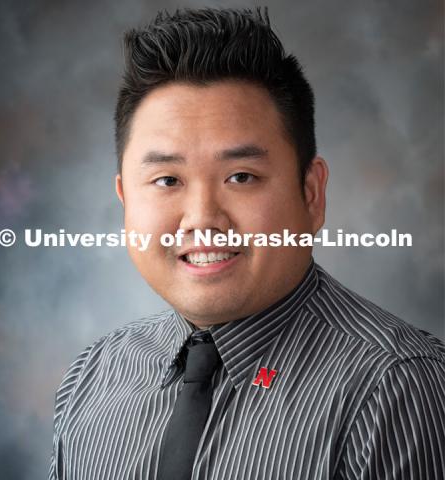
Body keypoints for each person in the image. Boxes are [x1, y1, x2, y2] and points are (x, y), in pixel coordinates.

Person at [48, 7, 445, 480]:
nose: (202, 219)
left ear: (311, 194)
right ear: (125, 199)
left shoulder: (395, 387)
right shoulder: (95, 375)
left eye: (241, 176)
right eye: (167, 179)